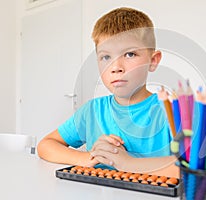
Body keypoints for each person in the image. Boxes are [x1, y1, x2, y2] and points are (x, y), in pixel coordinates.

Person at [37, 7, 179, 177]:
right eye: (106, 57)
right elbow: (45, 145)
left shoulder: (171, 111)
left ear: (153, 61)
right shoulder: (92, 110)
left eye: (130, 54)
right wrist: (87, 157)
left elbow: (193, 170)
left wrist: (128, 163)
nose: (116, 67)